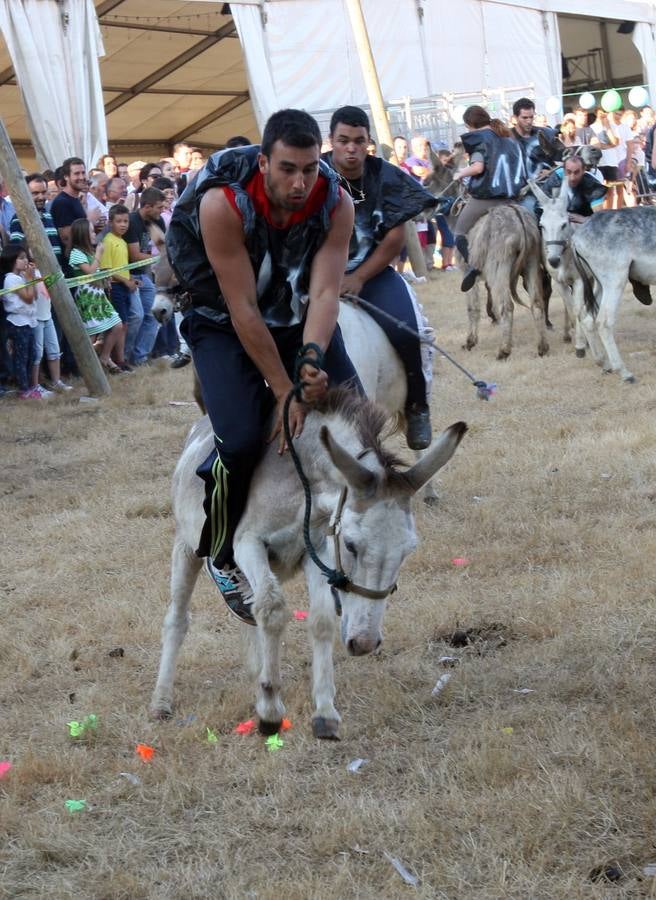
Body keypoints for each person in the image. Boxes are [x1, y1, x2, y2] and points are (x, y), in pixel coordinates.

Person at [166, 108, 358, 623]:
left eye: (310, 169)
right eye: (288, 169)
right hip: (223, 321)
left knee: (354, 421)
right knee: (241, 437)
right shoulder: (222, 204)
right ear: (263, 161)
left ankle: (349, 542)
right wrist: (284, 388)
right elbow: (243, 309)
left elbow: (323, 291)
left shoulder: (336, 202)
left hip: (296, 312)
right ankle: (224, 551)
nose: (300, 182)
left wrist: (312, 359)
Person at [322, 105, 436, 449]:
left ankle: (416, 408)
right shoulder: (311, 172)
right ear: (332, 141)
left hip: (373, 274)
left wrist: (358, 278)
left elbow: (394, 237)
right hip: (317, 276)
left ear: (368, 141)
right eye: (344, 141)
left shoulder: (384, 174)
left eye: (359, 141)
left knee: (407, 331)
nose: (352, 148)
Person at [452, 105, 526, 292]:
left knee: (459, 231)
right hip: (513, 200)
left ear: (470, 124)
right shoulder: (508, 139)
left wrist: (460, 173)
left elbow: (478, 168)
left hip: (488, 198)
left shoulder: (479, 140)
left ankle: (473, 267)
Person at [9, 174, 70, 393]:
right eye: (35, 193)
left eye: (43, 192)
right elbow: (20, 254)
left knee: (54, 335)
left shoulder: (48, 216)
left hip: (52, 284)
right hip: (35, 285)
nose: (41, 197)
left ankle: (55, 378)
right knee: (36, 341)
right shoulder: (19, 219)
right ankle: (35, 383)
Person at [68, 218, 124, 372]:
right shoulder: (76, 253)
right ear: (83, 235)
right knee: (92, 335)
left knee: (117, 325)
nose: (94, 234)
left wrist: (105, 279)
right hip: (88, 298)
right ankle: (86, 368)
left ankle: (105, 357)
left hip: (98, 295)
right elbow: (90, 272)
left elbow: (96, 274)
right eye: (91, 231)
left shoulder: (89, 252)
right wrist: (99, 254)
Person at [124, 187, 166, 365]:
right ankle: (123, 358)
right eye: (159, 207)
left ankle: (139, 358)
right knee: (137, 316)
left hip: (144, 275)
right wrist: (161, 256)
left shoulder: (158, 222)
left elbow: (163, 245)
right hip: (127, 275)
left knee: (153, 316)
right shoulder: (132, 221)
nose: (162, 210)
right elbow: (134, 255)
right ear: (147, 207)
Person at [100, 204, 136, 371]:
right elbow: (107, 270)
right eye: (119, 221)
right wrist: (125, 281)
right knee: (119, 325)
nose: (123, 225)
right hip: (115, 288)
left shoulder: (121, 241)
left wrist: (131, 279)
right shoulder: (108, 241)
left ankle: (119, 359)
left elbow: (121, 266)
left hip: (124, 286)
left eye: (126, 221)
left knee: (125, 324)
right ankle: (111, 358)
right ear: (110, 222)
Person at [0, 244, 39, 399]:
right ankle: (23, 388)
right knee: (21, 356)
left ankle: (29, 385)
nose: (25, 261)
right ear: (12, 260)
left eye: (26, 258)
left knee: (32, 354)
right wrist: (30, 279)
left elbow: (34, 295)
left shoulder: (22, 277)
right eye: (21, 258)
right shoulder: (11, 279)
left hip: (28, 321)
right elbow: (28, 299)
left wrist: (32, 279)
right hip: (17, 322)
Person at [540, 154, 607, 222]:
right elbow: (540, 206)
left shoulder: (593, 186)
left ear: (584, 170)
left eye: (577, 172)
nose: (572, 178)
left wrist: (584, 219)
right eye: (568, 172)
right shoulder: (555, 178)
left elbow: (599, 218)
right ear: (563, 170)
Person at [49, 157, 87, 255]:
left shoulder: (75, 199)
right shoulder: (62, 202)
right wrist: (90, 220)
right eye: (77, 173)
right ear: (66, 176)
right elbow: (66, 238)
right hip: (72, 263)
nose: (82, 177)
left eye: (83, 172)